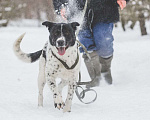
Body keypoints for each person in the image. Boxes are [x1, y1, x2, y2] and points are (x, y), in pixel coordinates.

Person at [53, 0, 129, 88]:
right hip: (77, 10)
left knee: (104, 40)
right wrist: (61, 5)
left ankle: (105, 71)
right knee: (86, 43)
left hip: (105, 7)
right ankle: (95, 77)